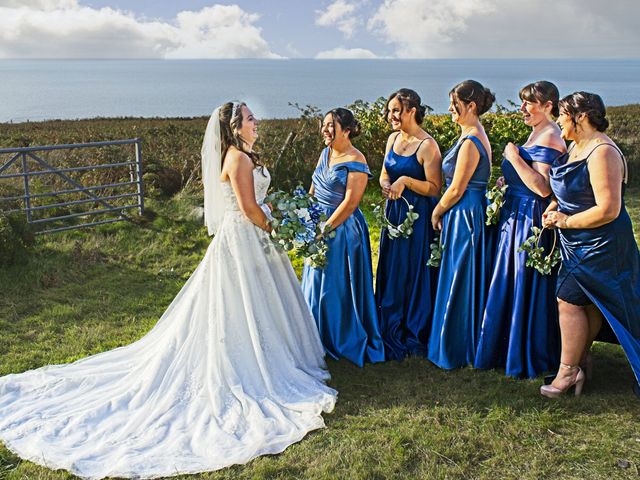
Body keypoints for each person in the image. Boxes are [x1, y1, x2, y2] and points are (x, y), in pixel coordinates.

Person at [0, 102, 337, 478]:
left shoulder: (246, 155)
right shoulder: (237, 159)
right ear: (235, 127)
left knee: (255, 302)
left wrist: (277, 212)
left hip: (254, 237)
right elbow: (247, 208)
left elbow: (259, 202)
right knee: (239, 301)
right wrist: (278, 229)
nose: (256, 122)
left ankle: (268, 351)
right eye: (250, 118)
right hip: (244, 238)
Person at [541, 92, 640, 397]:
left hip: (602, 244)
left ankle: (568, 372)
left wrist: (565, 222)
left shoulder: (603, 153)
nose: (558, 121)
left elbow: (608, 208)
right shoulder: (576, 146)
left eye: (562, 115)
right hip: (577, 242)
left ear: (580, 117)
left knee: (567, 300)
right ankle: (581, 361)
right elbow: (572, 188)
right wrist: (556, 205)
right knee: (588, 301)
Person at [475, 81, 566, 378]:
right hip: (514, 212)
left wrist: (513, 157)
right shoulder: (537, 131)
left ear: (549, 106)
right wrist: (508, 182)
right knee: (511, 279)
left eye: (530, 103)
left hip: (530, 218)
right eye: (522, 102)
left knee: (522, 280)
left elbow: (542, 188)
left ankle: (525, 352)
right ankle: (506, 348)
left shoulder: (552, 135)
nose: (523, 108)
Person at [302, 107, 385, 367]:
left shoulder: (356, 160)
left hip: (342, 229)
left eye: (331, 125)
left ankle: (340, 336)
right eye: (324, 125)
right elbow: (313, 189)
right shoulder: (324, 153)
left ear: (347, 130)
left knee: (336, 284)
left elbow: (350, 203)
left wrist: (325, 228)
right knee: (316, 281)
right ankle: (314, 336)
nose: (326, 130)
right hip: (318, 224)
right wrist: (306, 217)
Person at [427, 80, 494, 369]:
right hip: (466, 210)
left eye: (455, 103)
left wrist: (436, 212)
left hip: (464, 212)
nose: (451, 108)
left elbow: (456, 188)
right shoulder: (471, 134)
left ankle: (458, 346)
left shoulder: (470, 141)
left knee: (460, 277)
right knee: (461, 275)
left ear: (471, 106)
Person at [375, 88, 442, 360]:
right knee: (391, 268)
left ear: (412, 110)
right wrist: (387, 185)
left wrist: (406, 182)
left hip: (418, 218)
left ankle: (414, 327)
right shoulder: (392, 139)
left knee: (413, 269)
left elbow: (435, 188)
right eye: (389, 110)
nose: (391, 115)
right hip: (394, 214)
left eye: (395, 110)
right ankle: (390, 321)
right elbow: (383, 174)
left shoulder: (428, 146)